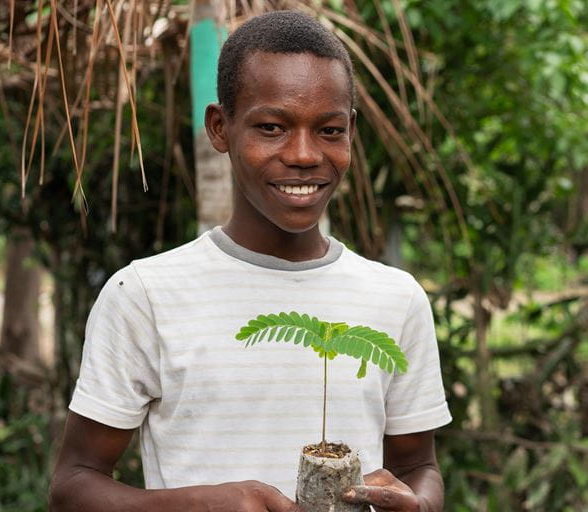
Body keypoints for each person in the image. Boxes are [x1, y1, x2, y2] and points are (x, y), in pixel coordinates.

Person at [49, 10, 451, 512]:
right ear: (220, 127)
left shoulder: (397, 299)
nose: (304, 154)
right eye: (271, 127)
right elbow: (73, 486)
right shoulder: (146, 295)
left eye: (328, 130)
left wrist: (420, 505)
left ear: (351, 131)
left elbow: (419, 468)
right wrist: (203, 504)